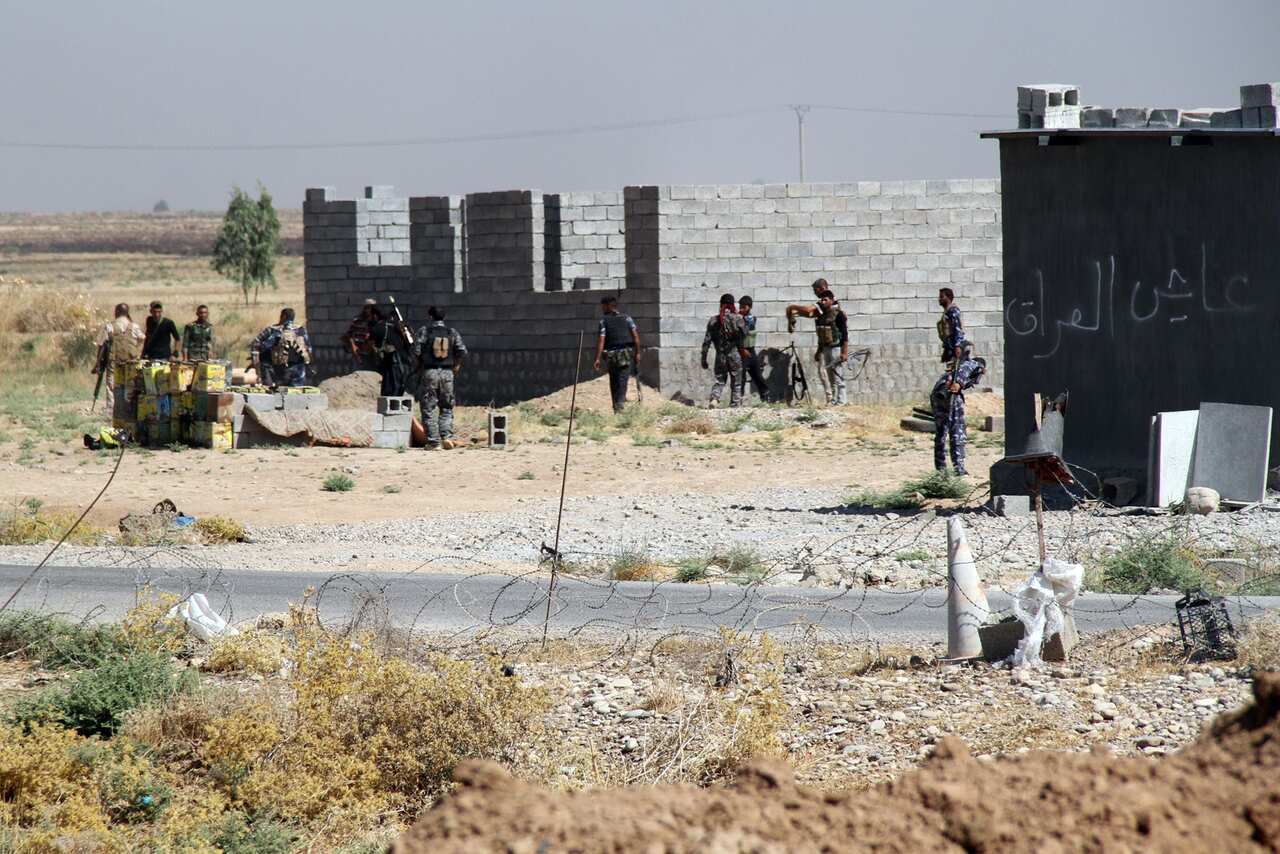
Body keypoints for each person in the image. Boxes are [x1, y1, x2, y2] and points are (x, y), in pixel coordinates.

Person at [412, 306, 467, 449]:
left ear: (430, 317)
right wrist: (456, 366)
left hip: (430, 372)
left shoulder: (425, 331)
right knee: (447, 406)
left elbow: (416, 351)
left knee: (428, 407)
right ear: (444, 317)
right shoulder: (452, 332)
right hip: (448, 373)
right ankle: (446, 437)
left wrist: (418, 366)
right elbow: (461, 351)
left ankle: (433, 441)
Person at [785, 289, 849, 405]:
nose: (823, 302)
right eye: (822, 300)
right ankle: (834, 400)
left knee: (838, 375)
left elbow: (844, 335)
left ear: (832, 300)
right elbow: (821, 336)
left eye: (826, 300)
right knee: (830, 376)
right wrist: (818, 351)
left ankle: (842, 400)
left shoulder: (838, 314)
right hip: (826, 348)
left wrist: (844, 352)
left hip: (836, 348)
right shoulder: (821, 315)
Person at [931, 353, 986, 477]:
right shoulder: (975, 364)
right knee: (957, 432)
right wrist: (959, 383)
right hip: (951, 394)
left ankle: (941, 470)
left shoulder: (953, 371)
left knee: (941, 432)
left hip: (938, 392)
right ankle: (959, 469)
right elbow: (967, 369)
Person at [92, 303, 144, 413]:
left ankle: (111, 408)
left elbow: (101, 345)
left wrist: (98, 363)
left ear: (117, 312)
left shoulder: (110, 326)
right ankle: (129, 408)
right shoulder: (134, 326)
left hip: (114, 360)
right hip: (131, 360)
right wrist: (136, 349)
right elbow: (142, 338)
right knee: (130, 383)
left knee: (111, 384)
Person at [593, 295, 641, 413]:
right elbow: (635, 337)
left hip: (611, 355)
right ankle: (619, 404)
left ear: (609, 306)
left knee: (614, 380)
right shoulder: (627, 318)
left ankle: (617, 405)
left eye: (603, 306)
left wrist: (598, 358)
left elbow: (601, 340)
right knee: (622, 379)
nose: (602, 308)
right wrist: (638, 353)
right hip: (625, 354)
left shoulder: (603, 321)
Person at [701, 293, 748, 408]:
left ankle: (715, 398)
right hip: (734, 355)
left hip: (720, 356)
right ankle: (735, 405)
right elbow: (745, 334)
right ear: (732, 305)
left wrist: (704, 358)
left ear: (721, 304)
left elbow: (706, 341)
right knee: (736, 382)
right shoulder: (737, 318)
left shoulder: (713, 321)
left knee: (720, 380)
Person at [252, 308, 312, 387]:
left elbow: (262, 346)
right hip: (299, 371)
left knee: (281, 395)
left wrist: (257, 360)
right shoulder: (301, 330)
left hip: (281, 370)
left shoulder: (274, 330)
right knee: (297, 394)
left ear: (283, 317)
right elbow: (309, 349)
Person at [369, 304, 410, 396]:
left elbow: (370, 345)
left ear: (376, 316)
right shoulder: (400, 327)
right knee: (399, 387)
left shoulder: (378, 328)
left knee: (389, 388)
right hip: (404, 363)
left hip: (391, 362)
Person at [736, 295, 770, 402]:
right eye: (740, 306)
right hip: (741, 351)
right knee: (741, 377)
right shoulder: (737, 318)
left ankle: (765, 396)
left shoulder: (752, 319)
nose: (741, 309)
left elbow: (748, 330)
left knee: (757, 376)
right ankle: (738, 399)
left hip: (751, 351)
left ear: (749, 307)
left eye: (744, 307)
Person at [340, 298, 382, 373]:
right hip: (359, 356)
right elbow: (349, 335)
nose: (368, 310)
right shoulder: (358, 320)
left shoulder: (378, 322)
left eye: (371, 308)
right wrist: (353, 347)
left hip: (373, 356)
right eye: (367, 307)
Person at [937, 287, 966, 365]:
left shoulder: (953, 311)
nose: (939, 299)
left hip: (954, 347)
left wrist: (957, 346)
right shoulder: (947, 312)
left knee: (956, 373)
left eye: (942, 297)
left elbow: (958, 328)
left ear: (949, 297)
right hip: (949, 346)